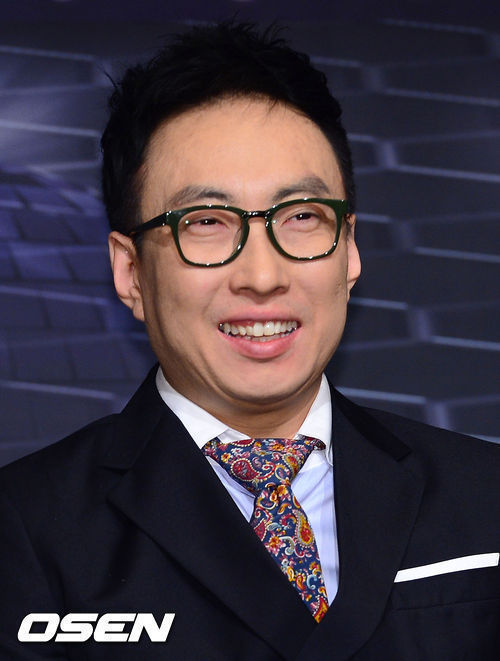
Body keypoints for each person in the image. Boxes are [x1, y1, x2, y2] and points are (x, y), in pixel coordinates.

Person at [0, 22, 498, 661]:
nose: (262, 276)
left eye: (302, 217)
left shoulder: (485, 496)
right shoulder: (26, 530)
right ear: (131, 272)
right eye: (205, 222)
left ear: (349, 250)